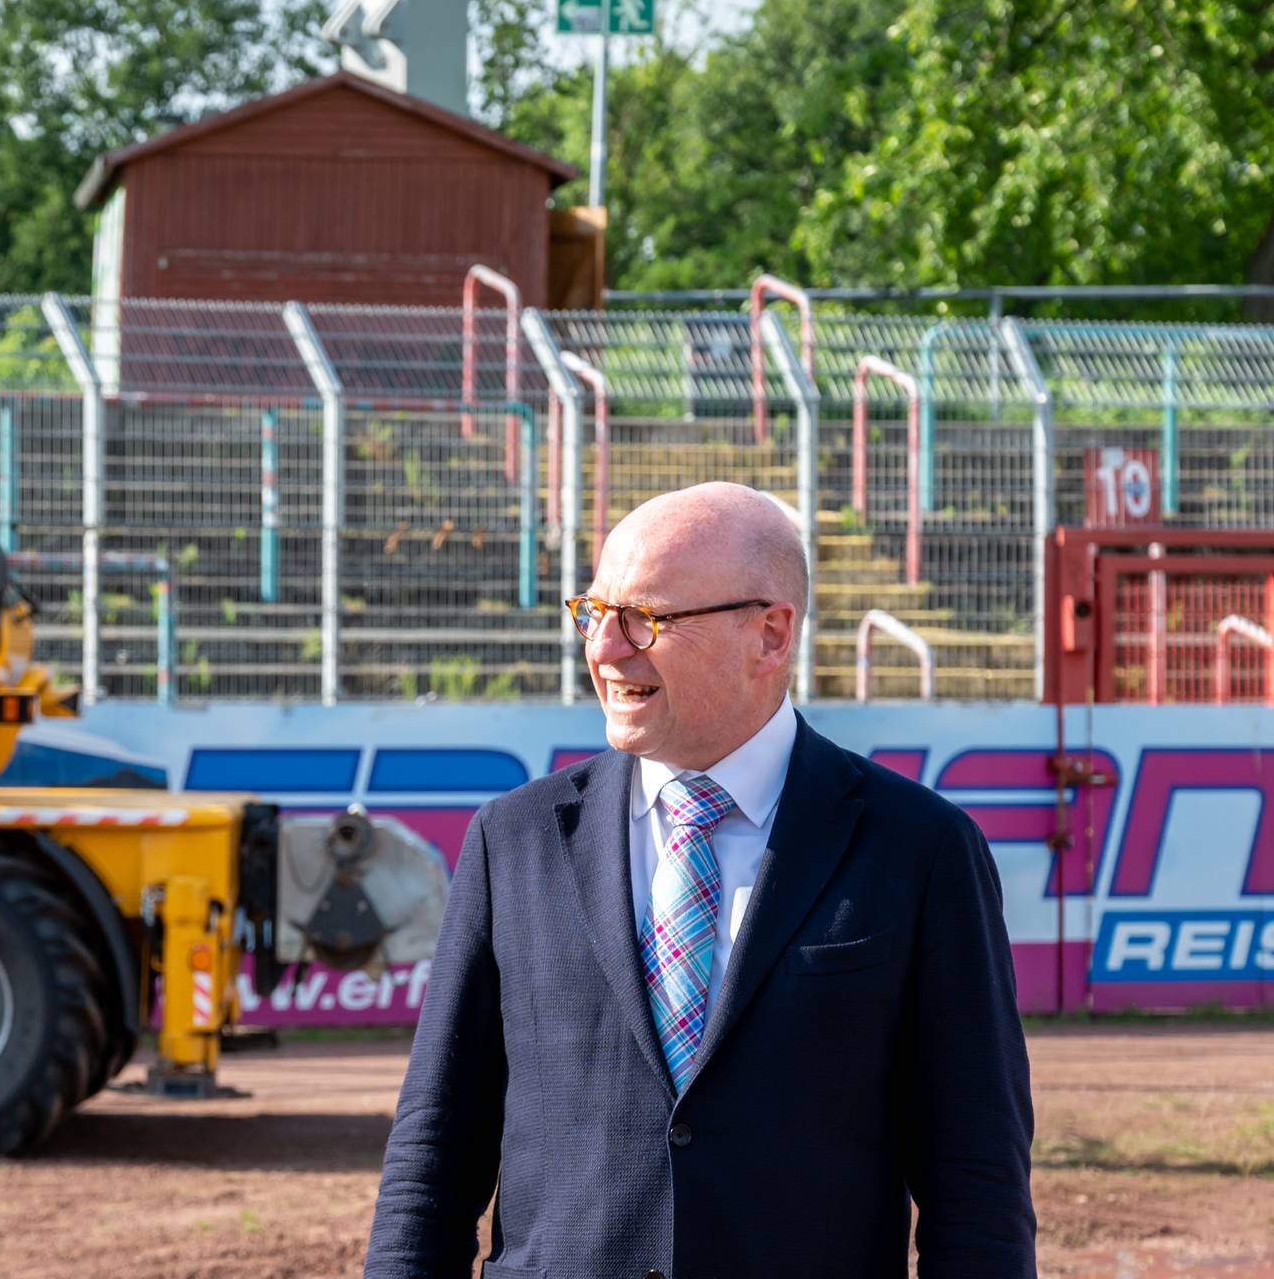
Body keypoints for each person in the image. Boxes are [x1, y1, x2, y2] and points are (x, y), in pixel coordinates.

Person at [364, 482, 1034, 1278]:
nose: (605, 649)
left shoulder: (919, 849)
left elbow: (977, 1180)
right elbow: (434, 1151)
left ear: (770, 635)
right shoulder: (514, 840)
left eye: (644, 618)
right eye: (593, 613)